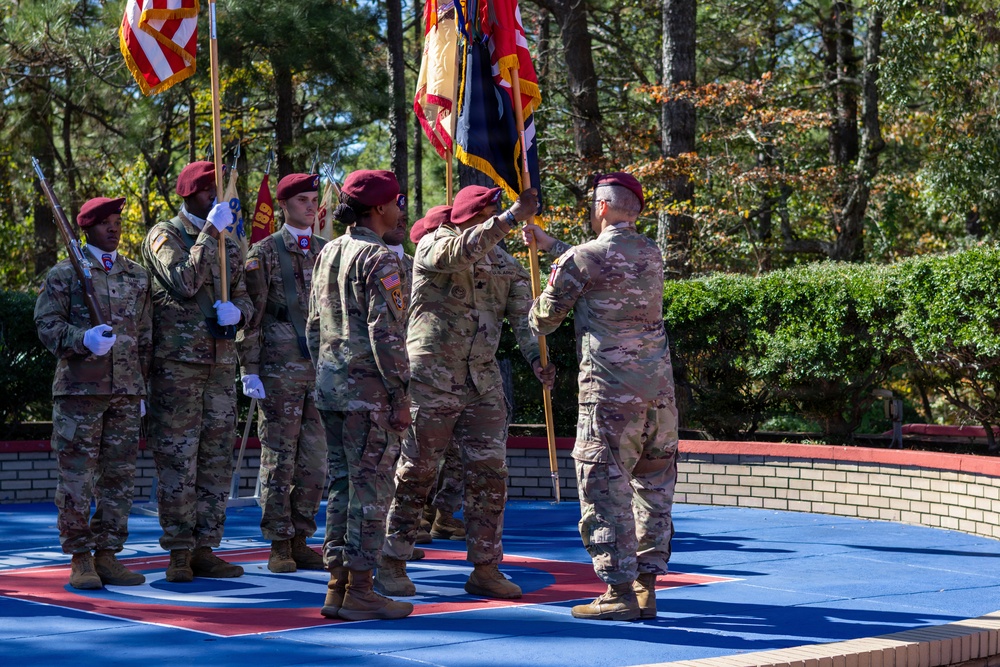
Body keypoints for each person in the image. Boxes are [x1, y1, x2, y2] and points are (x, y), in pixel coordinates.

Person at [376, 185, 554, 600]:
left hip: (482, 383)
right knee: (417, 472)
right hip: (432, 380)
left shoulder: (506, 264)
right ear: (474, 216)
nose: (498, 220)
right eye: (491, 213)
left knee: (490, 476)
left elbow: (524, 320)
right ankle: (391, 561)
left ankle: (486, 568)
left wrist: (536, 359)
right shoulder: (435, 244)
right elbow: (460, 253)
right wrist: (511, 218)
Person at [524, 172, 679, 621]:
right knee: (653, 492)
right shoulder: (651, 253)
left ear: (603, 207)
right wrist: (554, 247)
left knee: (605, 490)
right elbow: (600, 264)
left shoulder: (583, 258)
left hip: (609, 396)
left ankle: (618, 592)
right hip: (659, 398)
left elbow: (544, 319)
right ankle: (645, 588)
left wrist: (540, 291)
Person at [141, 161, 254, 583]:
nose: (216, 198)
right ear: (190, 194)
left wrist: (239, 313)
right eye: (209, 191)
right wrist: (209, 232)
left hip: (221, 365)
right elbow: (184, 281)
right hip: (178, 367)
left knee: (216, 459)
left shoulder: (229, 242)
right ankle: (178, 551)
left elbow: (245, 295)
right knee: (178, 459)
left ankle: (206, 547)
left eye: (218, 191)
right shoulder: (164, 235)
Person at [308, 169, 413, 621]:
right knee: (371, 491)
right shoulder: (380, 257)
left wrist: (327, 375)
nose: (401, 210)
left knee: (342, 487)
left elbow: (314, 327)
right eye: (397, 202)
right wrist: (401, 394)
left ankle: (337, 586)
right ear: (379, 208)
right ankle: (362, 589)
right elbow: (386, 334)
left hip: (332, 389)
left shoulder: (328, 251)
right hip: (369, 395)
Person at [34, 196, 153, 590]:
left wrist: (141, 388)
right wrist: (81, 339)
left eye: (117, 221)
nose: (113, 228)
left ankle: (108, 554)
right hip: (79, 392)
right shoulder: (64, 273)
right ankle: (80, 557)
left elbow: (145, 336)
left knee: (118, 479)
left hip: (125, 392)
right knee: (77, 480)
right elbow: (46, 325)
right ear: (87, 229)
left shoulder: (136, 275)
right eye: (105, 223)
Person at [237, 173, 328, 573]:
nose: (310, 206)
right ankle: (278, 542)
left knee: (315, 461)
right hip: (278, 370)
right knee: (279, 459)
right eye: (303, 200)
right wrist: (249, 367)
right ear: (284, 205)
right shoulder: (265, 252)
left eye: (313, 199)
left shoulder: (326, 250)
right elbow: (252, 314)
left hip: (320, 370)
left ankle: (301, 537)